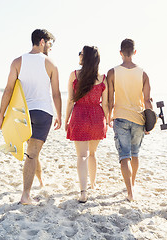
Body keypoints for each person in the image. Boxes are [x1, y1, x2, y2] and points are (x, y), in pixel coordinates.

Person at [0, 29, 62, 205]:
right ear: (42, 41)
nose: (50, 47)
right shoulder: (51, 63)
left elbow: (8, 90)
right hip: (43, 113)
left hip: (23, 113)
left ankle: (40, 182)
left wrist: (1, 114)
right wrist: (59, 115)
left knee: (32, 152)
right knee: (33, 154)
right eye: (49, 43)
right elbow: (56, 94)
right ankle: (26, 195)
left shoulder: (17, 62)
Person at [107, 39, 152, 202]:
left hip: (120, 116)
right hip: (138, 118)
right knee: (135, 154)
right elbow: (147, 101)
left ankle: (130, 192)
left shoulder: (112, 72)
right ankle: (132, 184)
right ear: (134, 52)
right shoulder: (143, 73)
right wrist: (150, 123)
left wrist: (108, 117)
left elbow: (110, 100)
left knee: (124, 156)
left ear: (120, 53)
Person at [65, 46, 108, 203]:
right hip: (97, 118)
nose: (79, 56)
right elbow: (106, 104)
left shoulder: (74, 75)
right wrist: (108, 121)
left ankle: (83, 192)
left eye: (80, 54)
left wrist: (66, 119)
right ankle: (93, 184)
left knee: (81, 156)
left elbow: (70, 100)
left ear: (85, 57)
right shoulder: (102, 78)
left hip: (79, 116)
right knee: (92, 154)